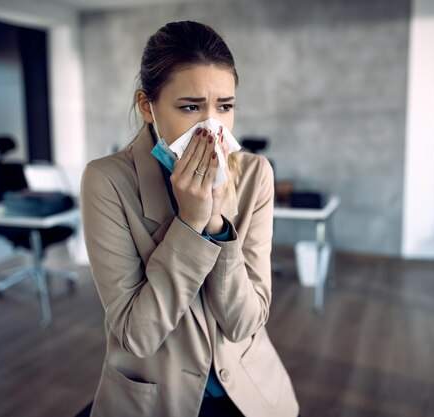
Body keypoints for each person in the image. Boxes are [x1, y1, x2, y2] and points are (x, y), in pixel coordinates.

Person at [80, 21, 299, 417]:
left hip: (251, 393)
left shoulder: (255, 175)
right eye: (190, 107)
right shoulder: (107, 181)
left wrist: (216, 224)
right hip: (156, 400)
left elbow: (244, 322)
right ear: (148, 107)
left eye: (225, 106)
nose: (211, 128)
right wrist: (189, 225)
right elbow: (138, 336)